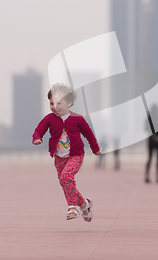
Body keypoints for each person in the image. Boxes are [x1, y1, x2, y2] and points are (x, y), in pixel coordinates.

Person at [32, 83, 101, 222]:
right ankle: (84, 205)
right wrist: (37, 138)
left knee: (66, 177)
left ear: (69, 103)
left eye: (58, 103)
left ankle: (72, 207)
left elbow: (88, 134)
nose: (54, 107)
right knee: (65, 182)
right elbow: (39, 129)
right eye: (51, 103)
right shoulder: (49, 119)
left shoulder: (77, 119)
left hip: (76, 155)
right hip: (59, 158)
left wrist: (95, 148)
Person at [145, 104, 158, 183]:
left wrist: (154, 133)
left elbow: (146, 128)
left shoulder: (149, 119)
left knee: (152, 158)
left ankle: (148, 175)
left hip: (153, 139)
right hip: (157, 139)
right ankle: (156, 176)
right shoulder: (157, 119)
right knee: (156, 158)